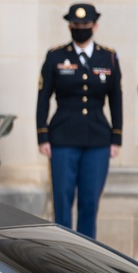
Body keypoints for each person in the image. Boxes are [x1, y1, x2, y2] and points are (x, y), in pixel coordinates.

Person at [36, 3, 122, 239]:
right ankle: (62, 254)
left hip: (98, 140)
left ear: (95, 26)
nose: (80, 28)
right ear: (70, 26)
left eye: (85, 24)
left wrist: (117, 137)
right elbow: (43, 97)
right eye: (75, 25)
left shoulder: (109, 57)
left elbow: (116, 98)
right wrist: (42, 135)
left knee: (90, 202)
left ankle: (87, 257)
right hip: (62, 137)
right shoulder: (56, 56)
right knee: (62, 203)